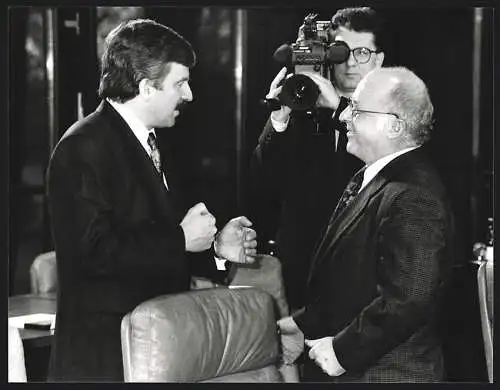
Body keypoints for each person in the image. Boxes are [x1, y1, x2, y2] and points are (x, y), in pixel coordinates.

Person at [46, 18, 257, 382]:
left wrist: (217, 249)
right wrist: (181, 240)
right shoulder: (83, 147)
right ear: (146, 88)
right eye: (180, 83)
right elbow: (93, 254)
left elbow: (156, 238)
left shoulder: (156, 143)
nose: (189, 95)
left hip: (156, 350)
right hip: (105, 362)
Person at [277, 66, 455, 382]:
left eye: (356, 110)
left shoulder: (414, 195)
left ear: (394, 126)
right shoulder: (381, 176)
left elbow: (408, 299)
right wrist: (305, 323)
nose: (344, 117)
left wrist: (343, 352)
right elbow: (354, 280)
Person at [250, 7, 386, 311]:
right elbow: (262, 184)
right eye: (341, 51)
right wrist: (280, 118)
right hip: (302, 273)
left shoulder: (395, 109)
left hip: (364, 278)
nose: (350, 61)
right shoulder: (304, 104)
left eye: (362, 52)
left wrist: (339, 108)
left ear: (379, 59)